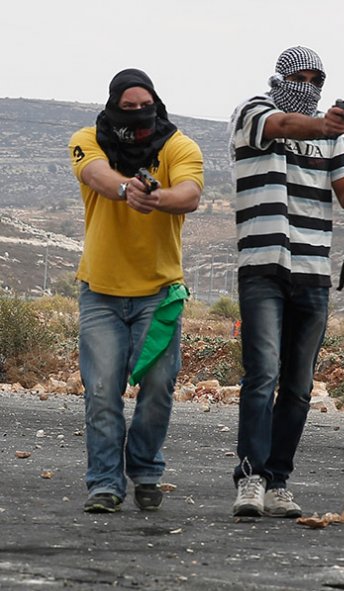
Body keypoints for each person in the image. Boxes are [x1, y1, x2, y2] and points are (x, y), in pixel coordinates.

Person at [229, 46, 344, 518]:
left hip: (313, 271)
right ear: (281, 78)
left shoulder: (330, 140)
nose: (309, 87)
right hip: (264, 265)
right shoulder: (254, 112)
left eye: (318, 80)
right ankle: (249, 477)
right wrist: (324, 124)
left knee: (298, 383)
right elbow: (285, 126)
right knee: (262, 374)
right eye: (302, 78)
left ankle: (278, 480)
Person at [69, 68, 203, 513]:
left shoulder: (178, 145)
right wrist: (128, 190)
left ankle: (145, 470)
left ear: (156, 103)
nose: (137, 114)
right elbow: (96, 175)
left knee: (159, 387)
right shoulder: (87, 138)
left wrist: (156, 198)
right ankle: (105, 484)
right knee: (101, 390)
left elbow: (190, 193)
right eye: (127, 108)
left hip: (160, 295)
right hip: (101, 293)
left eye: (144, 106)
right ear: (112, 106)